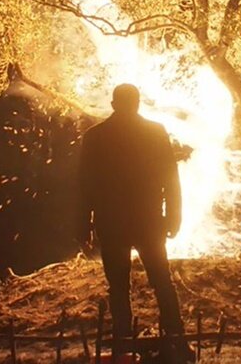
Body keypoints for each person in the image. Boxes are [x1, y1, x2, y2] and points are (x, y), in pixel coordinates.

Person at [77, 83, 193, 362]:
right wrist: (174, 215)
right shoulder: (154, 132)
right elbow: (170, 178)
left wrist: (83, 225)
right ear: (137, 103)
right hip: (148, 220)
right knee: (162, 281)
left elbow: (84, 186)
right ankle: (176, 342)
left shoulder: (96, 136)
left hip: (113, 222)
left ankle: (124, 345)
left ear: (114, 103)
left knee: (119, 286)